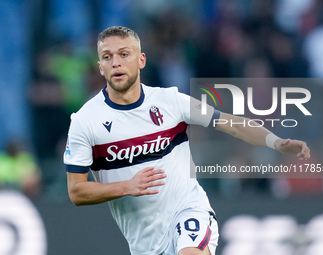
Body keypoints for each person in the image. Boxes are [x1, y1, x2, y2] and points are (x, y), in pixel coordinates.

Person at [64, 26, 310, 255]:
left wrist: (275, 141)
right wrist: (126, 187)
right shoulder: (85, 121)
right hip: (145, 243)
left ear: (141, 60)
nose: (116, 62)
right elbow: (76, 191)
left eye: (124, 54)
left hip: (188, 210)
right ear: (100, 67)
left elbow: (231, 123)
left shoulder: (170, 101)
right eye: (107, 57)